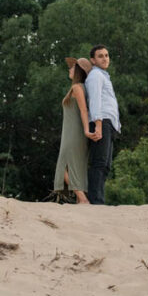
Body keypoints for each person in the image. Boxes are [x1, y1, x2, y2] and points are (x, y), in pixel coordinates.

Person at [53, 56, 96, 203]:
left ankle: (83, 199)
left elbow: (84, 110)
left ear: (78, 71)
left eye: (72, 67)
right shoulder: (80, 87)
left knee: (64, 167)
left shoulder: (77, 88)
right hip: (71, 132)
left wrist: (85, 131)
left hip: (74, 133)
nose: (69, 69)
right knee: (75, 166)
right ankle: (80, 200)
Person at [85, 44, 121, 205]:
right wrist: (98, 125)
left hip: (109, 124)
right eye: (100, 56)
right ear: (93, 60)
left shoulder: (103, 76)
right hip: (102, 122)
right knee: (99, 163)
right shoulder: (95, 76)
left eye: (106, 55)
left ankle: (98, 199)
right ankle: (95, 202)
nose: (105, 58)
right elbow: (95, 101)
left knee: (105, 165)